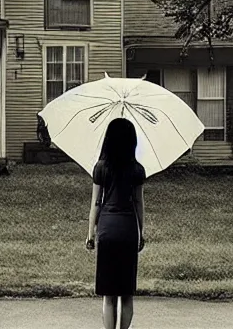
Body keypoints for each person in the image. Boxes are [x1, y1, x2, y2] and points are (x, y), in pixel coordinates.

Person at [86, 117, 145, 329]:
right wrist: (141, 232)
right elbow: (138, 202)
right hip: (128, 229)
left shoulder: (100, 168)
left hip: (107, 229)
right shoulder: (136, 169)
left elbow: (96, 204)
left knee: (109, 295)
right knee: (126, 294)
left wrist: (91, 234)